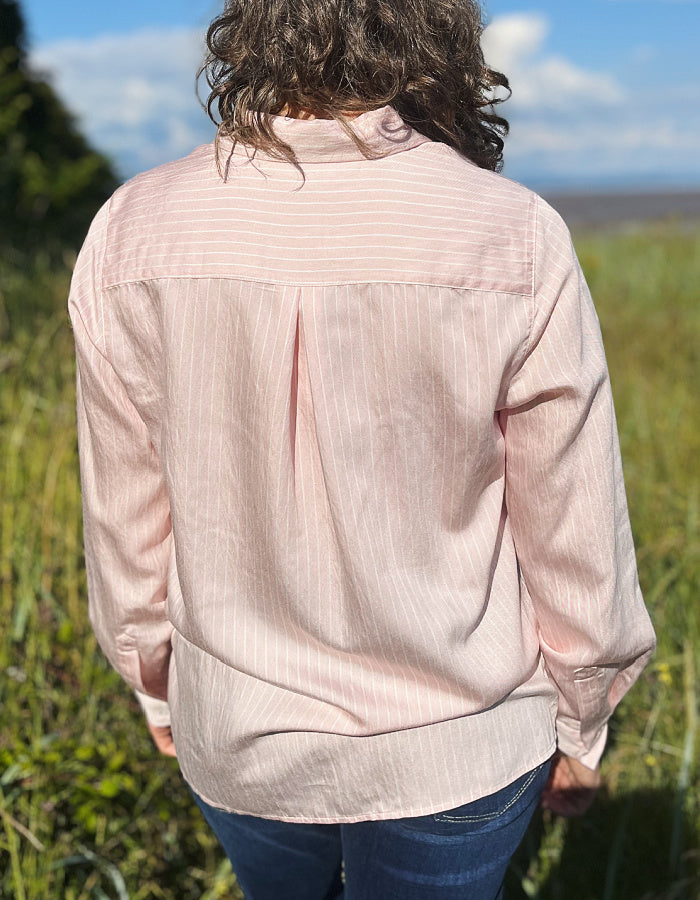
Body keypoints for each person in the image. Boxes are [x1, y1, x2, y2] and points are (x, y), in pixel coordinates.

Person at [68, 0, 656, 897]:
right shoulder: (512, 234)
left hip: (239, 730)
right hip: (461, 742)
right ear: (436, 38)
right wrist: (584, 720)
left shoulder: (132, 229)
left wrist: (153, 680)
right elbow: (574, 531)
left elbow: (124, 515)